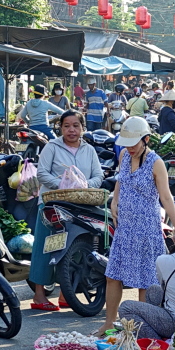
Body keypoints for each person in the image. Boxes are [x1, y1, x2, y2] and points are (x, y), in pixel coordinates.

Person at [101, 117, 175, 333]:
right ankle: (109, 322)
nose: (130, 147)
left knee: (144, 281)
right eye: (126, 143)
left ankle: (140, 329)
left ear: (146, 139)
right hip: (125, 228)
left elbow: (166, 196)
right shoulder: (125, 155)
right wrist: (115, 201)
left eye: (134, 143)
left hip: (146, 229)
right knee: (113, 275)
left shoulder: (156, 163)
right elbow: (120, 180)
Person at [30, 110, 105, 311]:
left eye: (75, 126)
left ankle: (66, 294)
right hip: (52, 204)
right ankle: (39, 296)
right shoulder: (51, 147)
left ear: (82, 128)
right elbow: (42, 173)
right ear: (60, 128)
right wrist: (63, 184)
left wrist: (84, 185)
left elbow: (99, 175)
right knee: (46, 247)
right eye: (66, 126)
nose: (71, 130)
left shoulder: (89, 150)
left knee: (75, 247)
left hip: (80, 204)